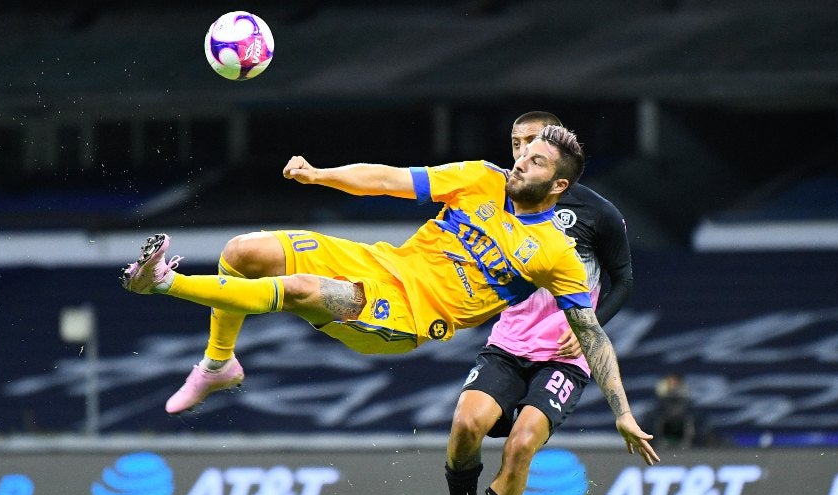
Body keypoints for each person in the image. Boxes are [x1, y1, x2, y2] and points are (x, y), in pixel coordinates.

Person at [119, 125, 656, 468]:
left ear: (559, 185)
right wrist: (319, 175)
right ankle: (218, 363)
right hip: (381, 264)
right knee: (243, 252)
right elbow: (390, 180)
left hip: (409, 317)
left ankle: (163, 281)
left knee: (302, 290)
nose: (519, 162)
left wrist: (623, 412)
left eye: (536, 161)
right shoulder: (478, 179)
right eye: (521, 152)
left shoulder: (554, 252)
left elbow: (593, 335)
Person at [430, 112, 650, 495]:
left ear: (556, 162)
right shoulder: (496, 196)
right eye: (515, 145)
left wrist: (591, 324)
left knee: (523, 442)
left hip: (562, 357)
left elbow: (624, 279)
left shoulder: (598, 212)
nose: (519, 156)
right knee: (467, 424)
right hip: (508, 342)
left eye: (531, 147)